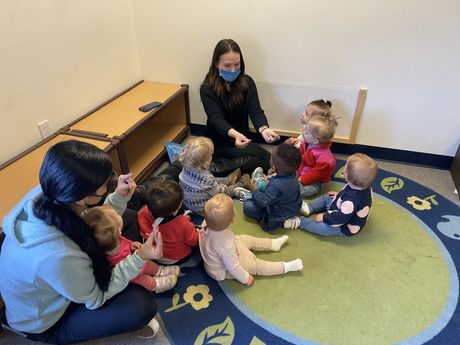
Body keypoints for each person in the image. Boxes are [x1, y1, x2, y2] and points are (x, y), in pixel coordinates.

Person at [0, 140, 164, 344]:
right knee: (141, 305)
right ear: (81, 198)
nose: (108, 186)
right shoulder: (56, 256)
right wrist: (140, 258)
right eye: (104, 186)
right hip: (47, 321)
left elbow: (94, 221)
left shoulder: (51, 192)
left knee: (128, 218)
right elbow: (95, 297)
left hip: (64, 279)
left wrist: (117, 197)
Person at [200, 38, 280, 175]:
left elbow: (256, 111)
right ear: (216, 64)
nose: (233, 70)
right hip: (218, 142)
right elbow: (216, 119)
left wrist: (264, 129)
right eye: (227, 65)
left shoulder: (247, 82)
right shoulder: (207, 88)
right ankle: (215, 168)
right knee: (264, 163)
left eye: (237, 65)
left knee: (269, 161)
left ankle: (219, 167)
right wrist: (235, 135)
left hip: (242, 139)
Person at [199, 194, 303, 286]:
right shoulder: (226, 246)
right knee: (256, 265)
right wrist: (245, 278)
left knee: (244, 239)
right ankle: (286, 267)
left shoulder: (207, 223)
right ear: (232, 218)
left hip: (222, 255)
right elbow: (233, 267)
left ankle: (272, 244)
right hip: (222, 270)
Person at [82, 205, 179, 293]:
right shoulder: (113, 257)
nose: (120, 215)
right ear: (119, 231)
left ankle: (159, 271)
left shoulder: (114, 238)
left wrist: (132, 245)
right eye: (117, 215)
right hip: (133, 274)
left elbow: (125, 242)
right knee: (143, 280)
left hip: (137, 260)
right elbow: (126, 270)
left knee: (149, 264)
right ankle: (156, 285)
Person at [284, 153, 378, 236]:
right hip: (344, 207)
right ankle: (309, 207)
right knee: (327, 197)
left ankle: (300, 222)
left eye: (345, 168)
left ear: (347, 176)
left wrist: (324, 218)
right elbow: (352, 198)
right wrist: (339, 196)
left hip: (344, 225)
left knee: (321, 228)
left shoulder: (351, 201)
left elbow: (339, 219)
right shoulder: (362, 186)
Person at [237, 143, 302, 232]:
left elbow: (263, 202)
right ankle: (258, 182)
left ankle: (249, 194)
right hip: (293, 206)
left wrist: (253, 188)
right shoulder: (294, 173)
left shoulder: (276, 186)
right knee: (267, 185)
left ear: (274, 167)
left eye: (271, 156)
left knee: (247, 205)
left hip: (278, 214)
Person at [178, 136, 252, 215]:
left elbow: (208, 184)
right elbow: (220, 192)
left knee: (212, 183)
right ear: (205, 162)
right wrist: (223, 186)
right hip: (203, 209)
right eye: (210, 155)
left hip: (188, 204)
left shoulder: (186, 167)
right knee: (225, 192)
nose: (212, 156)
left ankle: (228, 179)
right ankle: (242, 183)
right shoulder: (206, 179)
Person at [138, 179, 200, 264]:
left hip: (152, 252)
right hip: (173, 258)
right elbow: (194, 241)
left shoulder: (143, 211)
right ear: (174, 212)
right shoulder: (183, 224)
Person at [296, 114, 338, 200]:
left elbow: (316, 174)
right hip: (301, 170)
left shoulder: (325, 159)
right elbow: (301, 154)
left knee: (302, 191)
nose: (303, 132)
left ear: (315, 140)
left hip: (315, 181)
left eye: (306, 132)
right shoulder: (308, 142)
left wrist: (302, 180)